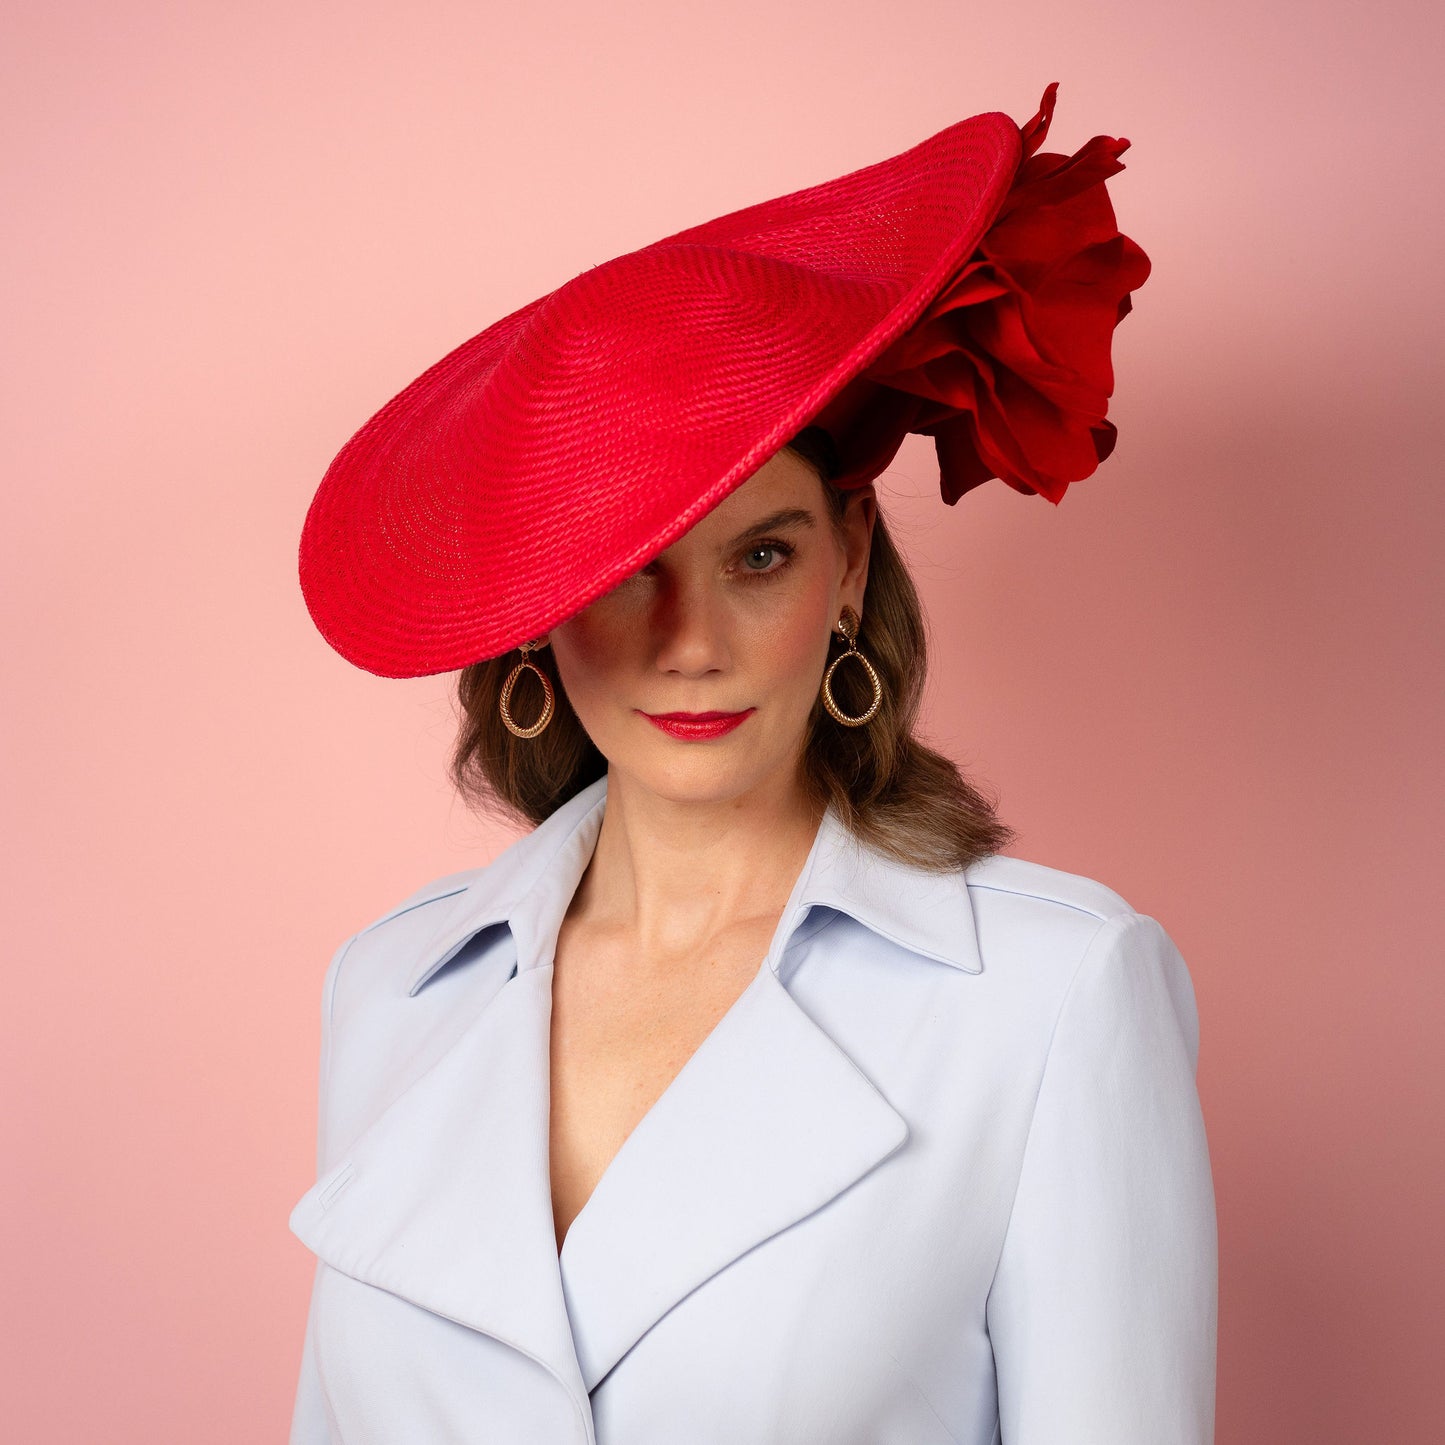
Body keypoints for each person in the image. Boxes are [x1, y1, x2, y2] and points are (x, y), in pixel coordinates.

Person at [288, 83, 1218, 1445]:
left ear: (847, 569)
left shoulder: (1057, 992)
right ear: (544, 610)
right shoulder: (388, 987)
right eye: (625, 574)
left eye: (758, 556)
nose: (691, 645)